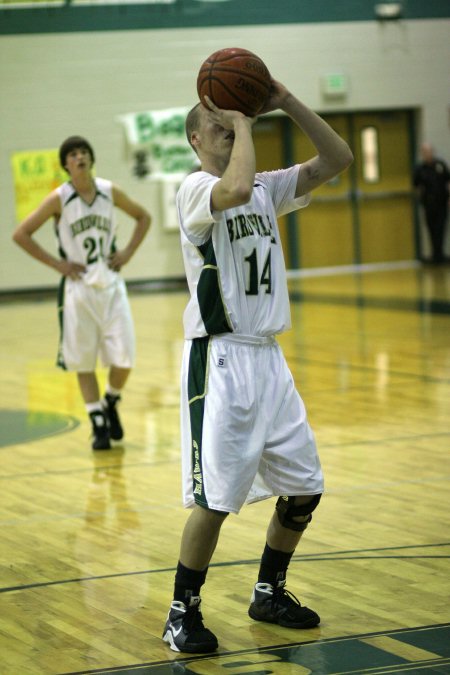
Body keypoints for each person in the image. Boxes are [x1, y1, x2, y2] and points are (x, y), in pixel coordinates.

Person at [161, 81, 353, 654]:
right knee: (215, 500)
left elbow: (338, 159)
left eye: (235, 125)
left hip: (269, 357)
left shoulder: (269, 190)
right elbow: (236, 183)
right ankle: (180, 613)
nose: (230, 130)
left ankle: (269, 591)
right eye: (218, 125)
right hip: (220, 358)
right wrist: (244, 120)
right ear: (196, 138)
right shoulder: (195, 189)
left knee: (303, 489)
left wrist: (287, 101)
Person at [12, 136, 151, 450]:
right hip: (78, 289)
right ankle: (97, 422)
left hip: (111, 284)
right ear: (66, 164)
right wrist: (56, 264)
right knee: (83, 360)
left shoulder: (108, 190)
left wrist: (128, 251)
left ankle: (111, 402)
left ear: (91, 159)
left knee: (125, 358)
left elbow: (144, 217)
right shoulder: (59, 199)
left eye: (84, 152)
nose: (80, 157)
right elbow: (20, 234)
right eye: (73, 154)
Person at [413, 142, 450, 264]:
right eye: (425, 152)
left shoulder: (441, 165)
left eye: (429, 151)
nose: (427, 154)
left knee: (441, 229)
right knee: (431, 230)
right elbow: (416, 187)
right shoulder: (420, 169)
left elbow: (448, 182)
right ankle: (435, 255)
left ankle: (440, 255)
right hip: (428, 204)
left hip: (442, 203)